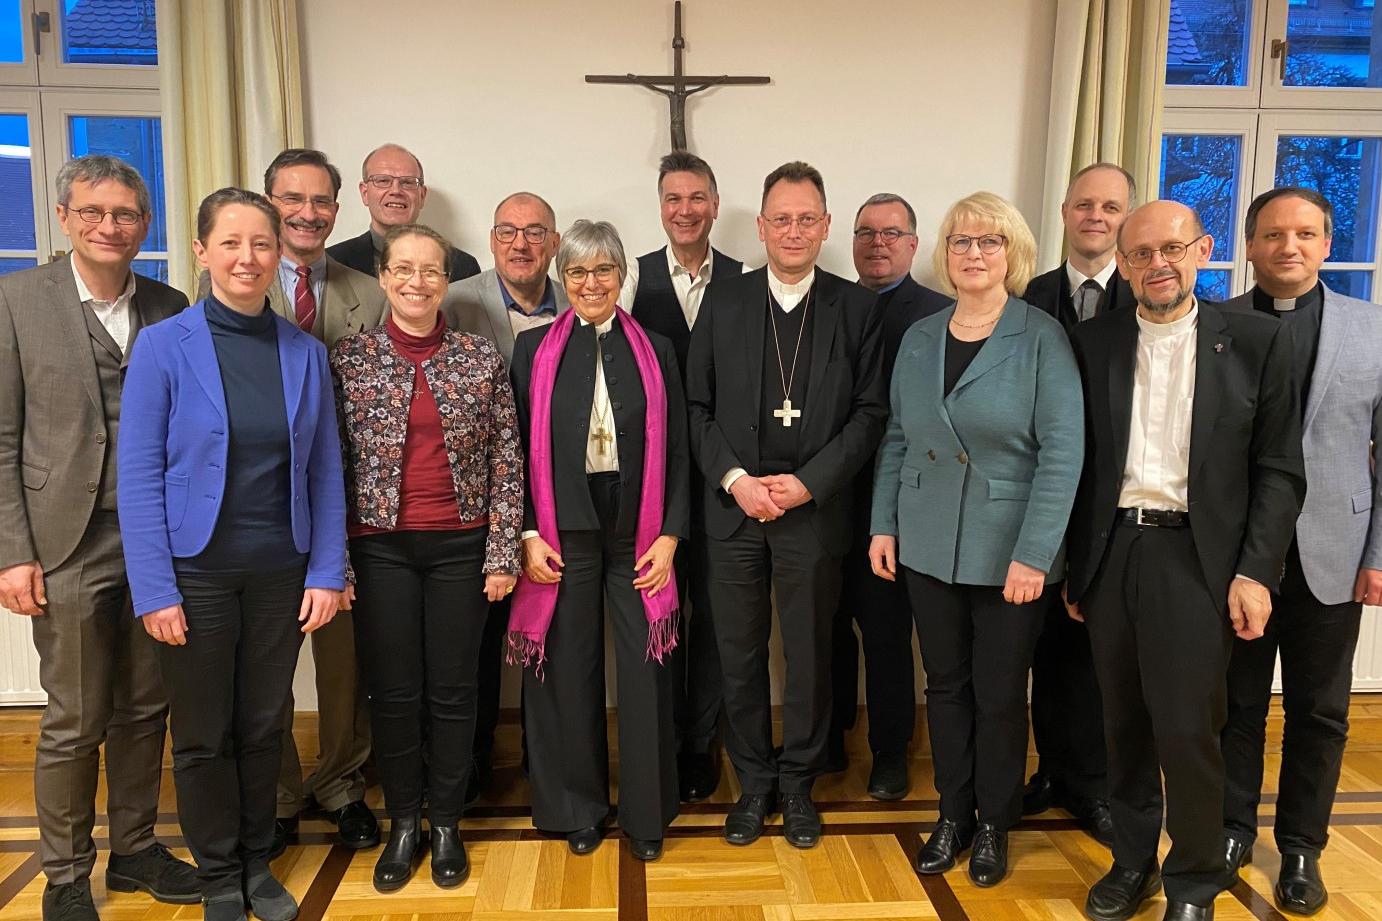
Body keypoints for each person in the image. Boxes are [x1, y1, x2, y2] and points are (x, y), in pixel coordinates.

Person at [1066, 200, 1306, 921]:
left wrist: (1257, 571)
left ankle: (1195, 880)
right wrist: (1079, 565)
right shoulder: (1093, 339)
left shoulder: (1259, 340)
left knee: (1188, 727)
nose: (1156, 264)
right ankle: (1132, 861)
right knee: (1123, 721)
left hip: (1199, 559)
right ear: (1125, 262)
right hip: (1114, 552)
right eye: (1140, 253)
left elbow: (1279, 469)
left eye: (1171, 248)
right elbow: (1076, 464)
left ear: (1203, 250)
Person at [118, 188, 348, 921]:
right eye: (231, 242)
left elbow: (325, 472)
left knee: (263, 722)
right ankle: (218, 872)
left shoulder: (304, 353)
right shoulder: (163, 345)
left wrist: (326, 569)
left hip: (282, 569)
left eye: (261, 243)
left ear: (280, 254)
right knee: (202, 731)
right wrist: (154, 588)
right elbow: (139, 473)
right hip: (196, 572)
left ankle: (257, 861)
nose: (247, 257)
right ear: (202, 251)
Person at [0, 155, 195, 921]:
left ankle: (138, 848)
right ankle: (65, 872)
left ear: (145, 226)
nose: (110, 227)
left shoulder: (172, 304)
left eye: (124, 215)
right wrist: (12, 549)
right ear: (63, 218)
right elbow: (2, 435)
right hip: (64, 542)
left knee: (146, 707)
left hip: (157, 542)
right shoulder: (17, 301)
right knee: (75, 715)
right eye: (93, 213)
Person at [869, 192, 1083, 887]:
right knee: (947, 688)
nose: (973, 254)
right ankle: (951, 813)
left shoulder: (1041, 335)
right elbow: (899, 437)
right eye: (961, 241)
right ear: (945, 253)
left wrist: (1037, 552)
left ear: (1011, 253)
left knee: (998, 694)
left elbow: (1063, 453)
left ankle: (994, 821)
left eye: (989, 242)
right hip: (928, 543)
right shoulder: (922, 335)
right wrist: (883, 522)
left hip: (1009, 552)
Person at [685, 161, 887, 849]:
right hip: (736, 509)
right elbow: (697, 406)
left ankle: (798, 784)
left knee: (808, 654)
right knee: (739, 655)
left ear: (825, 226)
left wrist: (808, 483)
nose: (794, 230)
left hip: (813, 510)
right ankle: (755, 784)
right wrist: (737, 479)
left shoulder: (855, 308)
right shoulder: (726, 300)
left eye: (808, 219)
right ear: (762, 225)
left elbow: (869, 414)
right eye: (781, 218)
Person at [331, 223, 524, 891]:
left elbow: (508, 459)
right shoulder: (348, 358)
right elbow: (329, 465)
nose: (418, 281)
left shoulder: (478, 357)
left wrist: (502, 552)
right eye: (404, 269)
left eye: (432, 270)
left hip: (461, 548)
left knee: (453, 691)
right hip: (379, 549)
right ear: (383, 277)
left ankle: (446, 823)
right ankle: (403, 821)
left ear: (447, 281)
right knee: (393, 693)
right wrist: (338, 563)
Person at [1219, 187, 1382, 916]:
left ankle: (1301, 849)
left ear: (1324, 244)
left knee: (1319, 711)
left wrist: (1378, 551)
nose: (1290, 246)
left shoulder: (1371, 330)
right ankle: (1227, 832)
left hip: (1333, 553)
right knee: (1232, 705)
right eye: (1274, 234)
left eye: (1306, 234)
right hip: (1233, 558)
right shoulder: (1212, 325)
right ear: (1250, 245)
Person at [508, 219, 689, 862]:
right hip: (564, 531)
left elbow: (681, 450)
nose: (591, 283)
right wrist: (528, 531)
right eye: (578, 272)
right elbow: (517, 450)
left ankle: (646, 812)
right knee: (567, 671)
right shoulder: (533, 350)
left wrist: (670, 533)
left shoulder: (658, 347)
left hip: (638, 530)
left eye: (604, 270)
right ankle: (577, 807)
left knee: (647, 670)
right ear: (563, 277)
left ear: (623, 276)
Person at [244, 148, 382, 853]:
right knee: (266, 662)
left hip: (348, 508)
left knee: (342, 661)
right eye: (292, 198)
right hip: (257, 510)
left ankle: (341, 782)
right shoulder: (235, 286)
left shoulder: (373, 290)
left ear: (338, 208)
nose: (307, 212)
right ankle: (276, 794)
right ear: (270, 203)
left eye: (320, 200)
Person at [1019, 162, 1137, 846]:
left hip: (1110, 507)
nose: (1096, 215)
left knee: (1096, 654)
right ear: (1064, 211)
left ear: (1125, 217)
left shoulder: (1147, 295)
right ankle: (1054, 771)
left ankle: (1094, 784)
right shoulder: (1027, 296)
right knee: (1043, 649)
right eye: (1085, 204)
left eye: (1111, 206)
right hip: (1035, 504)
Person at [442, 191, 567, 800]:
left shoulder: (581, 298)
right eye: (509, 232)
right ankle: (470, 760)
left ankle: (550, 760)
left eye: (535, 232)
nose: (522, 244)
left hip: (558, 499)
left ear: (555, 241)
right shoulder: (460, 300)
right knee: (476, 639)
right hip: (480, 496)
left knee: (554, 633)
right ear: (492, 241)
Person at [630, 152, 744, 803]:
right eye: (674, 198)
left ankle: (699, 741)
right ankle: (658, 737)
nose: (686, 209)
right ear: (661, 205)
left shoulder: (745, 279)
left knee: (715, 618)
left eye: (697, 197)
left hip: (724, 478)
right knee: (655, 613)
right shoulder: (629, 280)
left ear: (715, 202)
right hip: (648, 484)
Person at [828, 192, 950, 800]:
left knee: (884, 632)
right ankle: (828, 737)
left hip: (900, 502)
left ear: (913, 243)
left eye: (891, 233)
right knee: (822, 626)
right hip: (825, 497)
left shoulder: (940, 315)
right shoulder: (830, 303)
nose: (877, 243)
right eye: (865, 233)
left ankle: (890, 752)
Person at [327, 143, 481, 281]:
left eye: (407, 182)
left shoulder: (462, 267)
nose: (395, 190)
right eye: (382, 181)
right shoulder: (332, 263)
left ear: (421, 195)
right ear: (365, 193)